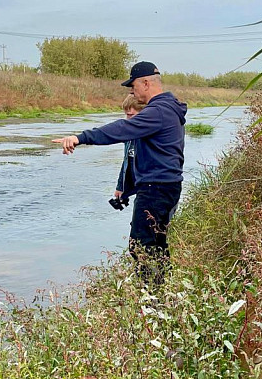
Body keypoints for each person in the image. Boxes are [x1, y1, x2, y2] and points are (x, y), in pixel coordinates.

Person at [54, 61, 187, 285]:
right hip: (165, 187)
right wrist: (125, 189)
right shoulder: (169, 108)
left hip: (156, 190)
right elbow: (148, 158)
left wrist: (80, 138)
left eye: (133, 85)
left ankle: (151, 298)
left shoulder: (159, 111)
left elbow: (121, 130)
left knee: (141, 246)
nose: (131, 91)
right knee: (157, 243)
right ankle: (163, 293)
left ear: (146, 82)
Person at [111, 94, 145, 209]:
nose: (128, 119)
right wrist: (121, 187)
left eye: (131, 115)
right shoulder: (129, 135)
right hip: (137, 187)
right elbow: (127, 161)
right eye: (126, 115)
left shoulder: (149, 134)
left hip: (149, 188)